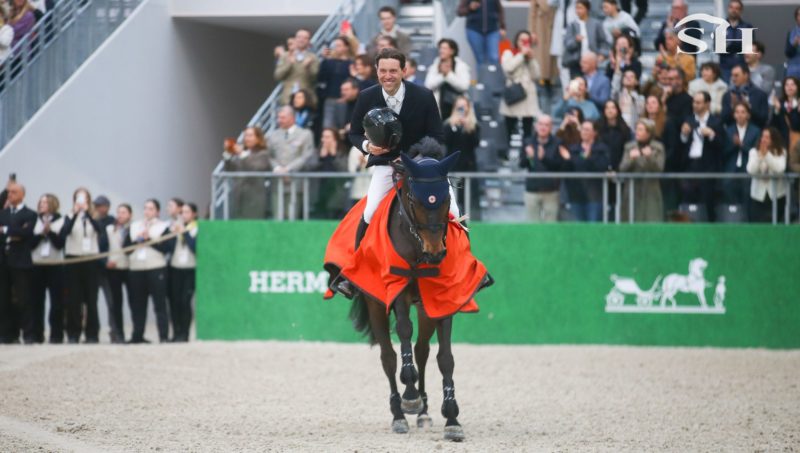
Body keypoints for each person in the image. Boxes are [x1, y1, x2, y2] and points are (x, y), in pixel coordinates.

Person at [344, 48, 449, 283]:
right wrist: (368, 147)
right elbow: (353, 134)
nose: (387, 76)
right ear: (376, 71)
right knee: (370, 211)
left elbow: (438, 136)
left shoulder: (423, 95)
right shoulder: (366, 96)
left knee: (454, 211)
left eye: (393, 70)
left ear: (404, 71)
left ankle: (463, 268)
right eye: (383, 70)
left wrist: (415, 157)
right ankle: (355, 271)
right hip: (385, 164)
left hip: (422, 166)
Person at [59, 188, 108, 343]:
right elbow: (64, 233)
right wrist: (75, 214)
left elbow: (100, 231)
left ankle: (92, 334)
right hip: (73, 260)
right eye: (78, 198)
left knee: (91, 299)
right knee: (74, 299)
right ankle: (73, 333)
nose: (81, 201)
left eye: (84, 198)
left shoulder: (94, 217)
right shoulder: (68, 216)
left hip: (90, 260)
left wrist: (87, 214)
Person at [126, 199, 171, 343]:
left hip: (155, 267)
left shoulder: (164, 227)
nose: (147, 211)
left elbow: (166, 248)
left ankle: (163, 336)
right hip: (136, 268)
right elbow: (126, 248)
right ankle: (137, 335)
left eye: (151, 209)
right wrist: (138, 240)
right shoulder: (134, 226)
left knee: (159, 304)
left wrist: (149, 239)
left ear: (157, 211)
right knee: (138, 304)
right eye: (145, 208)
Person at [677, 92, 725, 220]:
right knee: (688, 199)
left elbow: (722, 145)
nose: (695, 105)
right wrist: (684, 134)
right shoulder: (688, 119)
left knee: (706, 200)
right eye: (694, 102)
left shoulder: (716, 121)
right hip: (690, 165)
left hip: (707, 166)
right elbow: (681, 144)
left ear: (707, 104)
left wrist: (711, 135)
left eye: (698, 103)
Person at [0, 182, 36, 343]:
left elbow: (26, 233)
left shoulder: (29, 214)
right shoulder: (4, 213)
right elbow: (18, 232)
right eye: (8, 192)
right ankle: (8, 334)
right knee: (4, 298)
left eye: (14, 192)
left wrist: (6, 230)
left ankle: (28, 334)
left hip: (20, 262)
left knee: (24, 298)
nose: (10, 195)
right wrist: (15, 232)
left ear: (22, 194)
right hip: (4, 261)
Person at [268, 106, 316, 220]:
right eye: (279, 117)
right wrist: (278, 169)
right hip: (278, 181)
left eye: (283, 117)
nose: (280, 120)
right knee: (277, 216)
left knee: (292, 216)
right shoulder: (272, 135)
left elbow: (306, 155)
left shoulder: (305, 134)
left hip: (295, 181)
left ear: (292, 118)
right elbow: (269, 155)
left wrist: (288, 169)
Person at [30, 193, 65, 344]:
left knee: (56, 302)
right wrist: (41, 233)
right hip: (37, 264)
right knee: (37, 301)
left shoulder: (61, 220)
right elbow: (29, 243)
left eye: (45, 202)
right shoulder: (34, 219)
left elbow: (59, 243)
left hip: (55, 265)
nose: (42, 204)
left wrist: (49, 231)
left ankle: (56, 335)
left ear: (52, 203)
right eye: (41, 202)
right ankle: (37, 334)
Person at [559, 120, 610, 221]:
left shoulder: (601, 148)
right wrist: (569, 160)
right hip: (576, 194)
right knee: (579, 227)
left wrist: (586, 159)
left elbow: (602, 167)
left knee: (593, 227)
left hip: (595, 195)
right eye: (582, 129)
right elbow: (566, 169)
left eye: (587, 130)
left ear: (594, 132)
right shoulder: (573, 148)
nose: (584, 132)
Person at [499, 30, 542, 144]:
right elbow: (508, 68)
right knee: (509, 126)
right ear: (516, 41)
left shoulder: (531, 55)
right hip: (514, 93)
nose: (524, 43)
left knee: (527, 128)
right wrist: (521, 55)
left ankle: (526, 156)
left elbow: (536, 75)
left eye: (526, 40)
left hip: (528, 96)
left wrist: (531, 59)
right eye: (521, 40)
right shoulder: (509, 53)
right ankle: (507, 153)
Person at [619, 120, 665, 222]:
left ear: (648, 133)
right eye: (636, 129)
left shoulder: (658, 148)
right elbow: (622, 168)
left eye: (640, 130)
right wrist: (631, 159)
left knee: (651, 220)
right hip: (632, 190)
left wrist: (649, 157)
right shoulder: (629, 147)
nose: (636, 132)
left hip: (650, 190)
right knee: (631, 220)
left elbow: (659, 168)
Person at [222, 126, 271, 219]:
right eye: (245, 136)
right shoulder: (243, 153)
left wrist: (242, 154)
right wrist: (228, 154)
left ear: (258, 138)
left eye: (250, 135)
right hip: (239, 197)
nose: (247, 138)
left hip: (254, 199)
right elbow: (231, 171)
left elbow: (255, 169)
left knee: (253, 228)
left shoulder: (263, 154)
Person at [521, 115, 562, 222]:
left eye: (546, 125)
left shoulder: (557, 143)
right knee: (533, 227)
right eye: (540, 124)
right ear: (536, 126)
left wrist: (544, 158)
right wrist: (528, 158)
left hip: (551, 190)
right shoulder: (528, 141)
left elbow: (559, 166)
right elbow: (521, 164)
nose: (543, 127)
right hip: (532, 190)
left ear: (551, 127)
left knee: (550, 225)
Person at [443, 96, 481, 211]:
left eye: (463, 106)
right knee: (453, 198)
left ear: (468, 108)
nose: (461, 109)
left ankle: (468, 218)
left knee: (467, 197)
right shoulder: (448, 124)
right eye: (459, 106)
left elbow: (475, 143)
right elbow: (446, 141)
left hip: (468, 165)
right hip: (453, 165)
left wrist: (467, 127)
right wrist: (454, 126)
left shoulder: (474, 125)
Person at [722, 102, 760, 211]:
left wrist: (741, 145)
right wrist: (734, 145)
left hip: (747, 168)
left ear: (748, 115)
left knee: (746, 197)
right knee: (729, 194)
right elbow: (723, 151)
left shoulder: (755, 131)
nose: (740, 115)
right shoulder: (728, 130)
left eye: (743, 112)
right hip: (731, 169)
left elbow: (755, 151)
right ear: (734, 115)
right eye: (737, 112)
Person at [168, 202, 197, 342]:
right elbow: (168, 247)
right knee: (175, 302)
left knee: (185, 301)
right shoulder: (176, 227)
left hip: (190, 268)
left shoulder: (196, 228)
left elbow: (194, 247)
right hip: (175, 267)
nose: (184, 215)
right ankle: (176, 332)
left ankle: (184, 333)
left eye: (187, 212)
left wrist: (183, 232)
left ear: (193, 214)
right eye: (182, 212)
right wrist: (173, 233)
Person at [747, 127, 787, 222]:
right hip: (757, 196)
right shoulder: (753, 152)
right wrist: (760, 156)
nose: (764, 139)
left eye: (767, 137)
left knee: (775, 223)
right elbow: (751, 170)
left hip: (777, 195)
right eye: (763, 137)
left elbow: (780, 169)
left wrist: (767, 155)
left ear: (773, 139)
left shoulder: (781, 152)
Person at [425, 38, 471, 120]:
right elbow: (428, 85)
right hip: (440, 106)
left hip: (457, 106)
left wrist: (449, 75)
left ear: (452, 51)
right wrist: (442, 76)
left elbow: (464, 86)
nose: (441, 51)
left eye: (444, 48)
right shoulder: (435, 64)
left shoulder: (461, 65)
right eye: (440, 48)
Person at [105, 203, 131, 343]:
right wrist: (105, 262)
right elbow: (103, 246)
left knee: (134, 302)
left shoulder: (134, 229)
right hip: (114, 269)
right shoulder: (110, 229)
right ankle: (118, 333)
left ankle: (136, 334)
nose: (120, 215)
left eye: (124, 212)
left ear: (130, 215)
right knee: (116, 303)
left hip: (130, 268)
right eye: (119, 212)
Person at [562, 0, 608, 78]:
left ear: (587, 9)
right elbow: (567, 44)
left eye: (580, 8)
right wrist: (576, 40)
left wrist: (602, 54)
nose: (578, 11)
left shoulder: (596, 24)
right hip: (576, 62)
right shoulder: (572, 25)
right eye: (576, 8)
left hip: (592, 61)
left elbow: (603, 42)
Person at [274, 28, 320, 106]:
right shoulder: (285, 56)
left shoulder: (313, 58)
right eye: (299, 37)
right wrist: (289, 64)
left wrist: (308, 68)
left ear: (309, 41)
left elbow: (315, 79)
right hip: (288, 99)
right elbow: (277, 76)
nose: (301, 40)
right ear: (295, 39)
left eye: (305, 38)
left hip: (306, 100)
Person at [319, 36, 354, 130]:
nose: (336, 47)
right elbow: (321, 78)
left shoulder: (351, 63)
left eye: (339, 45)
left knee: (341, 127)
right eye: (335, 45)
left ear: (346, 47)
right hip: (330, 98)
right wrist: (325, 59)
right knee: (327, 126)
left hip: (344, 100)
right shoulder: (328, 62)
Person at [721, 63, 769, 129]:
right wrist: (732, 108)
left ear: (746, 75)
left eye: (736, 75)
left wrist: (749, 108)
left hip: (755, 133)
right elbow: (724, 120)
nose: (733, 79)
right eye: (732, 76)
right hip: (733, 134)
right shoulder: (728, 95)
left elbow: (764, 119)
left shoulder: (760, 95)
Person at [458, 0, 506, 66]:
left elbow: (500, 10)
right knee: (480, 59)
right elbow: (459, 12)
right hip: (474, 30)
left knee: (494, 57)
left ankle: (493, 75)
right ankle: (483, 76)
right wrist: (470, 8)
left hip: (493, 30)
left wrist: (502, 26)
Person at [314, 128, 349, 219]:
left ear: (335, 139)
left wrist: (334, 155)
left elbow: (344, 170)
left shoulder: (342, 152)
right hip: (319, 192)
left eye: (327, 137)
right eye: (323, 137)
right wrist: (320, 158)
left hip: (335, 193)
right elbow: (308, 166)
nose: (324, 139)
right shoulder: (316, 152)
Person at [718, 0, 753, 83]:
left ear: (741, 11)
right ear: (728, 9)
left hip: (741, 65)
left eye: (737, 8)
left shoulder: (747, 27)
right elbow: (718, 48)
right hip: (725, 67)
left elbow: (747, 47)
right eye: (731, 7)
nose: (734, 10)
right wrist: (737, 44)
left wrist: (729, 45)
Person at [528, 0, 558, 84]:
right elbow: (532, 14)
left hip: (553, 24)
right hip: (540, 25)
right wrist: (532, 31)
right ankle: (541, 76)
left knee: (552, 51)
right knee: (540, 52)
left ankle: (551, 75)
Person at [597, 100, 631, 171]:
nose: (610, 110)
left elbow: (627, 149)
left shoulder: (624, 129)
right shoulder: (598, 128)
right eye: (607, 108)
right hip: (601, 169)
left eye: (613, 108)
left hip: (619, 168)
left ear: (617, 110)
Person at [769, 76, 800, 154]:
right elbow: (773, 125)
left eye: (793, 84)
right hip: (781, 142)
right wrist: (776, 111)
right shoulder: (780, 103)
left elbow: (795, 125)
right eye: (787, 85)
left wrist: (782, 109)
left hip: (796, 142)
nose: (789, 87)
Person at [785, 6, 800, 79]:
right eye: (799, 15)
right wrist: (794, 44)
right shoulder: (791, 32)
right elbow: (787, 53)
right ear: (796, 17)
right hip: (794, 69)